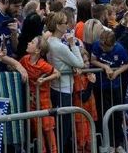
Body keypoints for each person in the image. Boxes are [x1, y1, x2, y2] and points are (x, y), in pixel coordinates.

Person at [46, 11, 84, 152]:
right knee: (64, 127)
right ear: (58, 26)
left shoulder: (50, 41)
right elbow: (80, 63)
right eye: (65, 23)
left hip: (58, 86)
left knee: (62, 127)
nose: (68, 25)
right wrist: (72, 44)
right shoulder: (59, 46)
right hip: (63, 89)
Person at [91, 30, 128, 153]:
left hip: (115, 86)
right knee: (104, 114)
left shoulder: (119, 49)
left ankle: (118, 143)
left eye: (106, 47)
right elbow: (93, 59)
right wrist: (105, 66)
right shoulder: (97, 45)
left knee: (117, 115)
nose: (103, 48)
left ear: (113, 45)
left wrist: (117, 72)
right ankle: (107, 144)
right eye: (102, 46)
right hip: (101, 87)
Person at [20, 36, 60, 153]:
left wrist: (44, 80)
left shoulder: (43, 64)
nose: (28, 43)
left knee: (48, 130)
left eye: (31, 42)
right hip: (31, 102)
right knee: (37, 131)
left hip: (44, 102)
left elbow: (57, 74)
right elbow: (16, 66)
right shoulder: (25, 59)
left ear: (37, 50)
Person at [73, 48, 97, 153]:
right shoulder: (78, 77)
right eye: (84, 61)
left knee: (89, 144)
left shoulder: (88, 74)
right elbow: (83, 97)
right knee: (81, 144)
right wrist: (91, 83)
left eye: (88, 61)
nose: (87, 64)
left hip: (89, 114)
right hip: (81, 116)